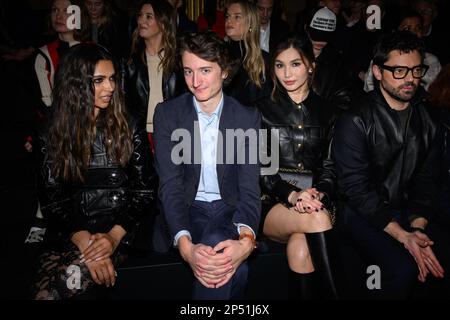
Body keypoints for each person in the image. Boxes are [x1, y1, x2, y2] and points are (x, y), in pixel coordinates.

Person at [32, 43, 155, 299]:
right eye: (99, 80)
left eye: (111, 79)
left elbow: (144, 191)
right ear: (76, 84)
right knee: (44, 293)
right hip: (71, 232)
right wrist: (87, 243)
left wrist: (112, 238)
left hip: (120, 229)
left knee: (57, 293)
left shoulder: (129, 124)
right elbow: (52, 199)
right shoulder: (51, 132)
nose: (110, 87)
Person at [332, 31, 447, 299]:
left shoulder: (429, 118)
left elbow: (427, 181)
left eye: (416, 70)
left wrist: (417, 230)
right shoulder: (355, 119)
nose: (410, 79)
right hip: (359, 212)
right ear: (378, 71)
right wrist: (402, 236)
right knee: (402, 269)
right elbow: (355, 190)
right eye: (399, 71)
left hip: (406, 211)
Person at [153, 31, 261, 300]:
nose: (195, 81)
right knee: (234, 268)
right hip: (189, 209)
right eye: (188, 71)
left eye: (205, 70)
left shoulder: (246, 117)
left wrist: (247, 241)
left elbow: (249, 188)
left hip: (229, 210)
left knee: (222, 252)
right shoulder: (168, 114)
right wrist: (186, 246)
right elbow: (171, 185)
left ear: (224, 71)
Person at [254, 37, 340, 299]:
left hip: (316, 201)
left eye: (295, 64)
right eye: (279, 66)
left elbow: (330, 166)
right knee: (316, 218)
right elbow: (261, 170)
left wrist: (320, 194)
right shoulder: (261, 111)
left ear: (311, 66)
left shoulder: (328, 111)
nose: (287, 73)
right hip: (274, 202)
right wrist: (293, 195)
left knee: (300, 248)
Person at [125, 0, 183, 140]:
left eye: (149, 16)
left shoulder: (179, 61)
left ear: (163, 23)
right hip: (139, 134)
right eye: (140, 15)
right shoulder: (129, 62)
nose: (141, 21)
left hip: (173, 133)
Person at [363, 10, 441, 92]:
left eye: (418, 28)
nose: (413, 33)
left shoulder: (431, 61)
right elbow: (370, 89)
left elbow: (437, 94)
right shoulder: (383, 58)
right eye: (407, 28)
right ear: (395, 31)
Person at [223, 0, 271, 107]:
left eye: (237, 17)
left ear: (250, 23)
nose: (229, 21)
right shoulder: (217, 54)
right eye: (227, 16)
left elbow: (266, 103)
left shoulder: (263, 60)